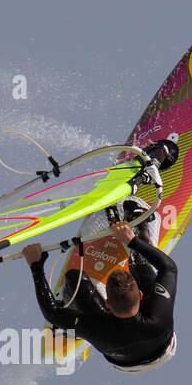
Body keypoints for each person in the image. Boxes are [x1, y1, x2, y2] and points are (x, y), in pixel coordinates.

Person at [23, 146, 178, 371]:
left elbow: (53, 314)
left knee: (74, 279)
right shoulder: (157, 313)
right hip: (158, 345)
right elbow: (169, 269)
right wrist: (132, 241)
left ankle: (71, 315)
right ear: (142, 294)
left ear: (107, 304)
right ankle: (138, 233)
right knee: (142, 264)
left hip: (121, 358)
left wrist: (36, 268)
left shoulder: (98, 326)